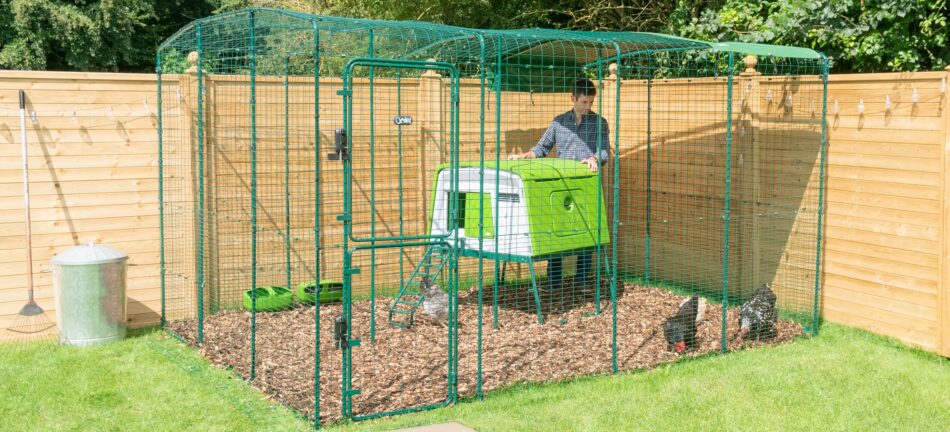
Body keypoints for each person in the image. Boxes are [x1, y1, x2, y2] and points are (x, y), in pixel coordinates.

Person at [508, 78, 609, 289]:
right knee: (556, 232)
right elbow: (541, 148)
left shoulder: (600, 123)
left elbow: (604, 151)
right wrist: (526, 155)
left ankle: (581, 281)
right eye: (583, 102)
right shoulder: (558, 122)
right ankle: (553, 282)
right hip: (560, 185)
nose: (587, 107)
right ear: (572, 98)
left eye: (590, 102)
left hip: (585, 184)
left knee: (586, 233)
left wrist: (594, 159)